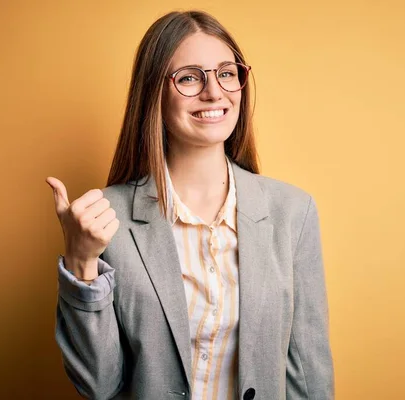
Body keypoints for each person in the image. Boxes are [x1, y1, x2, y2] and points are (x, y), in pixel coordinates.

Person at [46, 10, 334, 400]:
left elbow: (309, 371)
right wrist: (81, 264)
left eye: (227, 73)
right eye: (188, 78)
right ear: (153, 94)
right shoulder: (106, 220)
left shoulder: (292, 212)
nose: (214, 92)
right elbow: (99, 385)